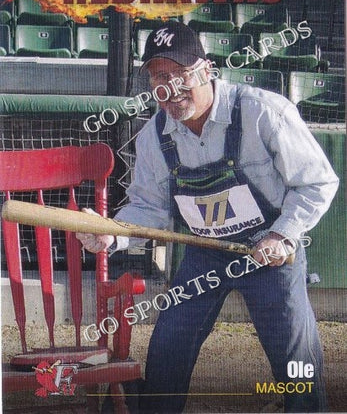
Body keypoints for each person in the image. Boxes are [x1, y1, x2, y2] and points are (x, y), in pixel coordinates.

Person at [77, 21, 339, 413]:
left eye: (180, 73)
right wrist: (113, 235)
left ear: (206, 69)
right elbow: (149, 208)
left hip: (269, 253)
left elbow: (317, 183)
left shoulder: (262, 113)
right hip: (207, 254)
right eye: (158, 77)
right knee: (169, 344)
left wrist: (283, 235)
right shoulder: (154, 137)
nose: (170, 88)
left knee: (294, 358)